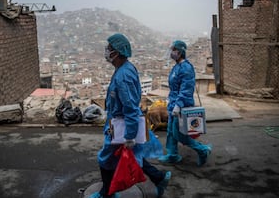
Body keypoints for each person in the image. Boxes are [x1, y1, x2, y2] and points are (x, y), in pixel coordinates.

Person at [90, 33, 171, 198]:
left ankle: (106, 193)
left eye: (109, 49)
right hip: (119, 123)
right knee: (130, 157)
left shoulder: (123, 76)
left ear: (117, 52)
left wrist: (129, 136)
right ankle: (159, 177)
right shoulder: (123, 69)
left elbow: (130, 108)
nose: (106, 51)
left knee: (105, 159)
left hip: (122, 126)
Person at [158, 40, 212, 166]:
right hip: (173, 104)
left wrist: (178, 105)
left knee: (180, 134)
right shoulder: (176, 67)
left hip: (182, 106)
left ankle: (203, 150)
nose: (172, 52)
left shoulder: (186, 68)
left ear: (180, 52)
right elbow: (174, 87)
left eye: (174, 50)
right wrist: (171, 101)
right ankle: (172, 155)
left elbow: (187, 88)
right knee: (171, 132)